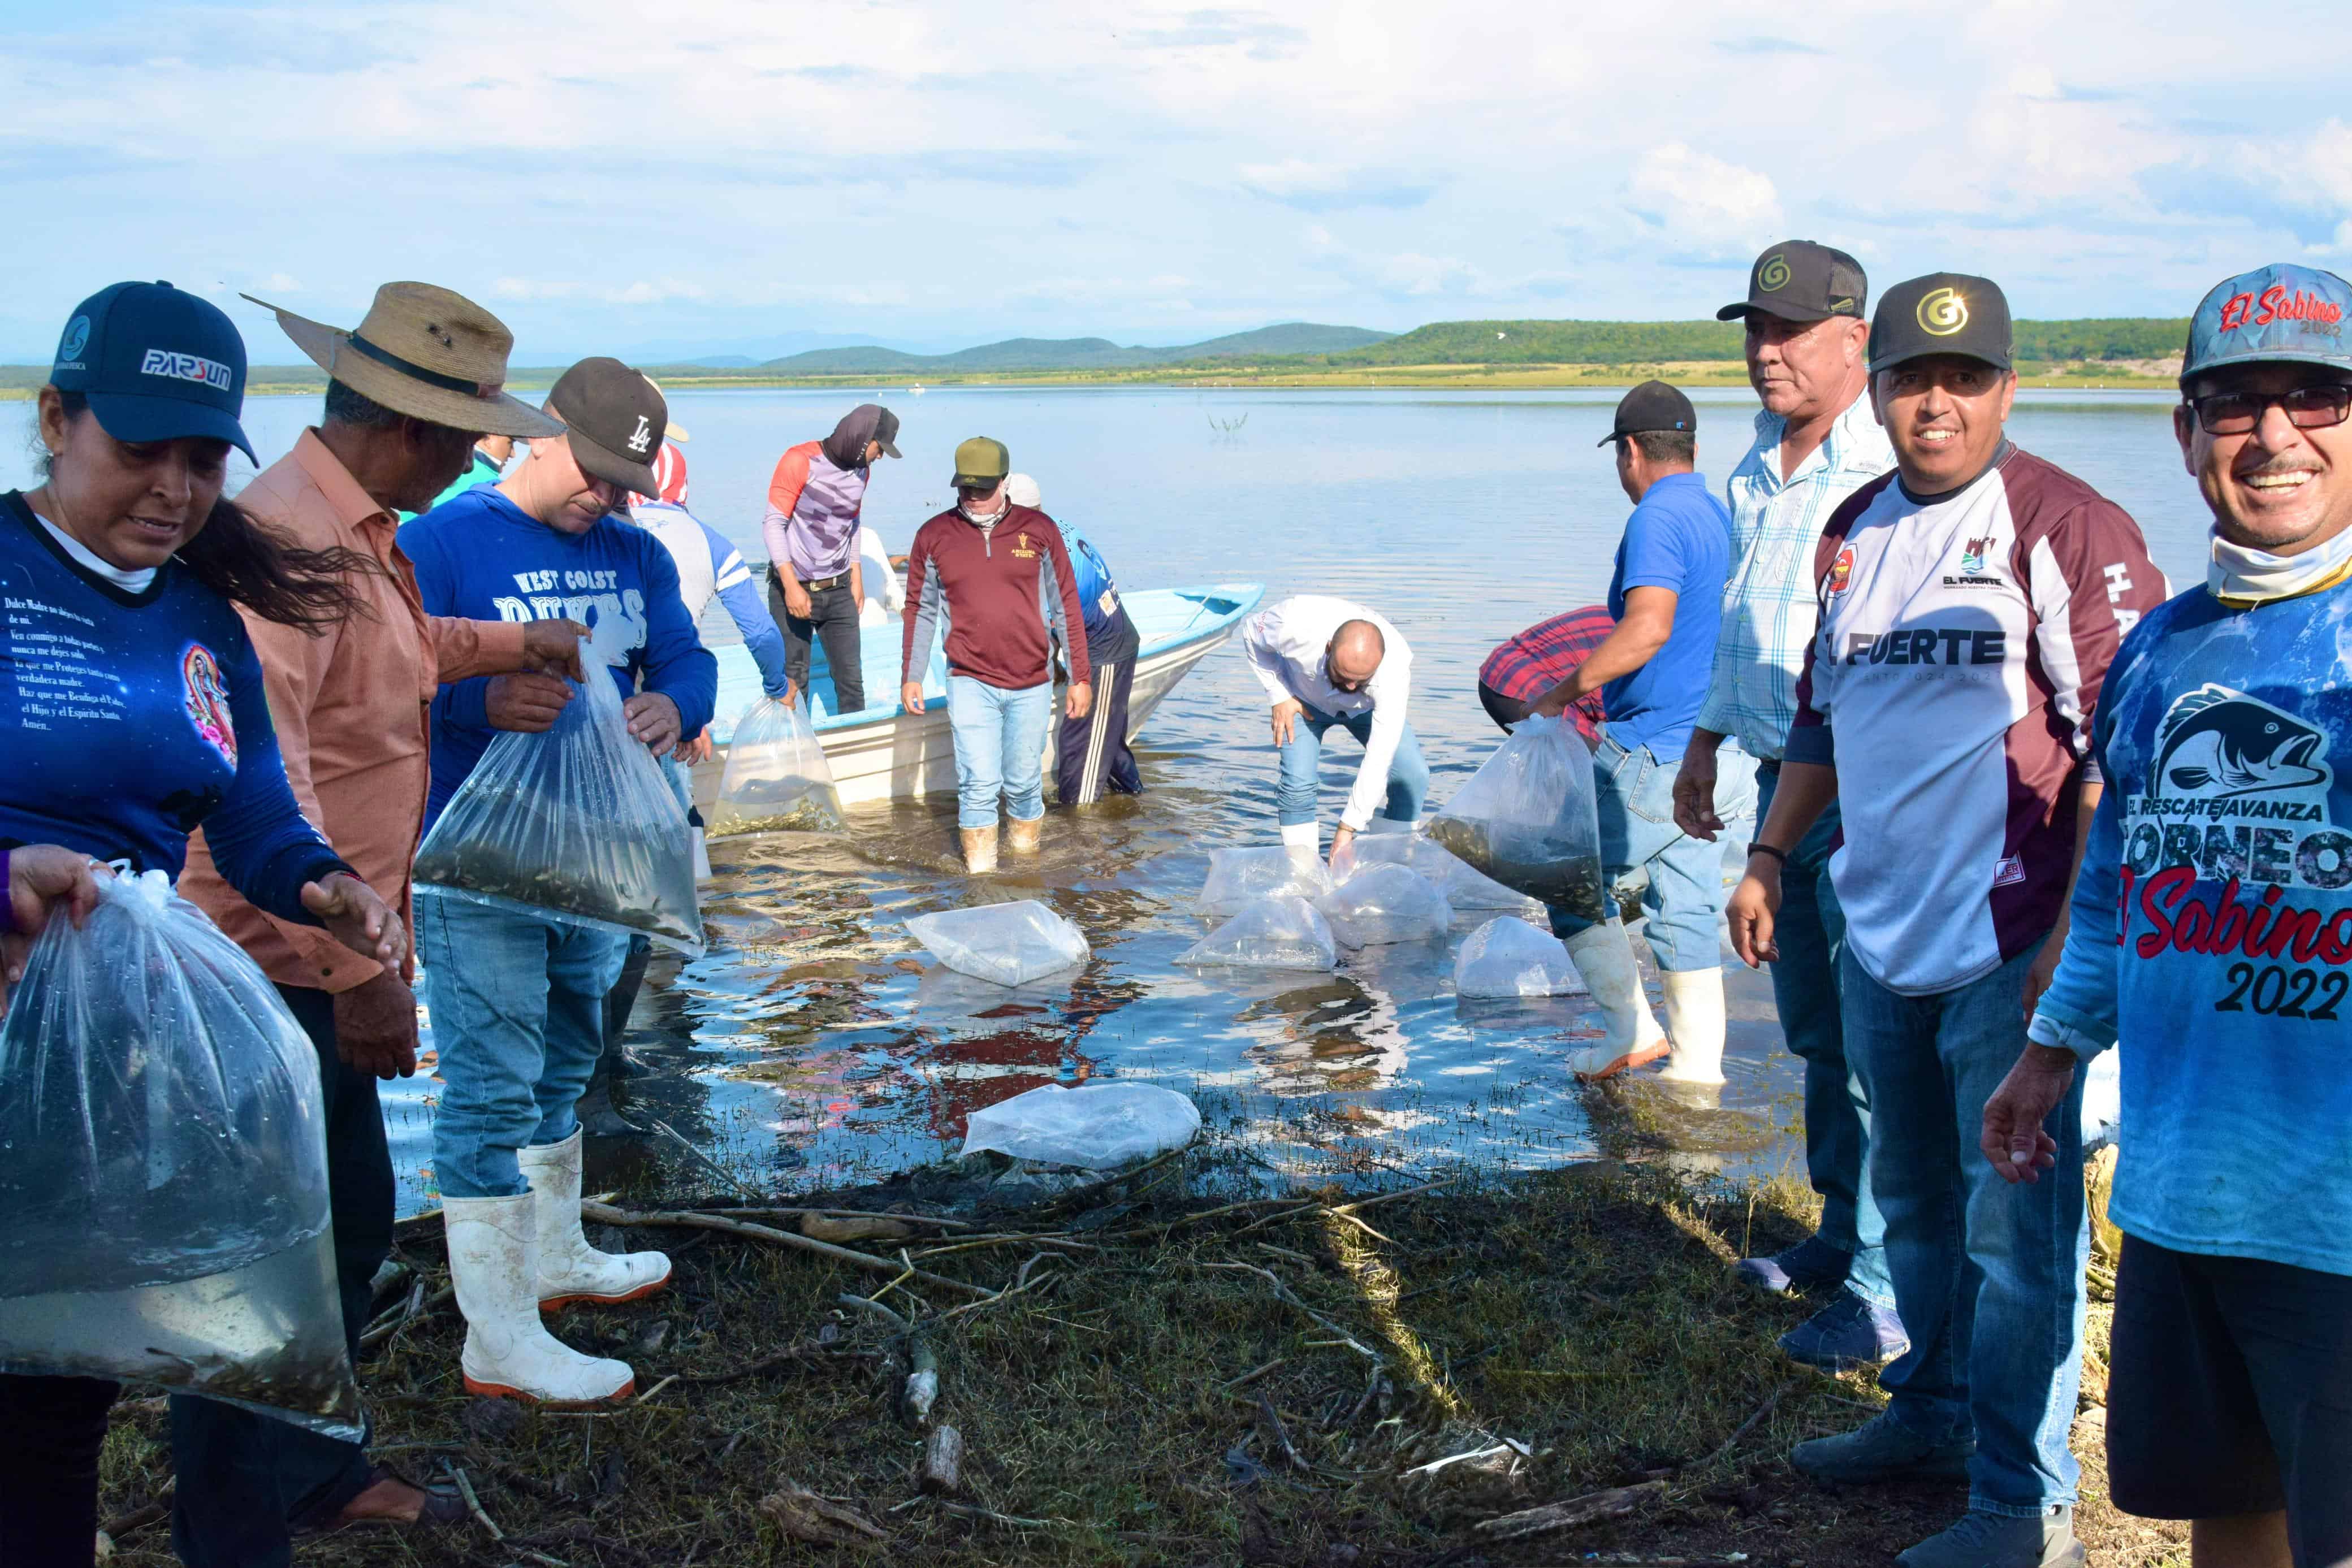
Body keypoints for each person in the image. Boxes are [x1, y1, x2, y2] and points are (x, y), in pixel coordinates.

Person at [1725, 274, 2166, 1568]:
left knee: (2018, 1241)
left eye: (1962, 380)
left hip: (2010, 950)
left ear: (2005, 389)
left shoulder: (2067, 526)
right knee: (1910, 1205)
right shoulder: (1854, 527)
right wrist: (1765, 854)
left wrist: (2070, 951)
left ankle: (2020, 1508)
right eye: (1913, 379)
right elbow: (1819, 713)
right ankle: (1927, 1413)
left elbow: (2119, 760)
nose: (1934, 402)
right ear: (1880, 390)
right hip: (1880, 940)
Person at [173, 282, 589, 1562]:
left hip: (329, 946)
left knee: (348, 1214)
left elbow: (390, 658)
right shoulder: (274, 541)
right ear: (410, 429)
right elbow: (269, 776)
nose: (477, 458)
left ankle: (315, 1466)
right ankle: (236, 1527)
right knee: (253, 1265)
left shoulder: (360, 531)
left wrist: (513, 644)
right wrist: (364, 973)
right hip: (264, 958)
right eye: (467, 436)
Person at [0, 280, 404, 1567]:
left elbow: (253, 822)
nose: (175, 489)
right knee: (20, 1403)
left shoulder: (198, 615)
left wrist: (325, 888)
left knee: (113, 1368)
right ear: (54, 419)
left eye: (202, 458)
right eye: (139, 449)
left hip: (110, 1053)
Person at [1982, 263, 2352, 1568]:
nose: (2273, 436)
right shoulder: (2162, 650)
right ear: (2185, 435)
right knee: (2224, 1505)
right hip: (2185, 1188)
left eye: (2317, 397)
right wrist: (2049, 1051)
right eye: (2234, 403)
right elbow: (2115, 879)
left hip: (2337, 1213)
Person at [401, 358, 717, 1404]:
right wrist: (473, 706)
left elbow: (688, 656)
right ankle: (497, 1335)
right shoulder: (441, 539)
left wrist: (675, 702)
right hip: (478, 857)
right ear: (539, 434)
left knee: (572, 1052)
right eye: (592, 471)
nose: (606, 497)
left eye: (625, 482)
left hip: (597, 857)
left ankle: (556, 1254)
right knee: (489, 1077)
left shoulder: (632, 549)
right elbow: (375, 683)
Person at [1680, 240, 1905, 1371]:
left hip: (1867, 790)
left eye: (1788, 332)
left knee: (1873, 1041)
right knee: (1815, 1031)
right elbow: (1739, 621)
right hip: (1778, 777)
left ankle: (1882, 1285)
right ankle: (1833, 1233)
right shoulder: (1755, 464)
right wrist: (1703, 744)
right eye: (1753, 332)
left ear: (1852, 340)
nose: (1764, 353)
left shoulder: (1887, 462)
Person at [1530, 382, 1746, 1090]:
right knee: (1686, 902)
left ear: (1629, 451)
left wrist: (1562, 693)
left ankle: (1632, 1032)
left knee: (1562, 877)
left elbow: (1646, 627)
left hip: (1653, 747)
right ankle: (1696, 1070)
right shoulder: (1718, 512)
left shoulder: (1656, 517)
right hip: (1715, 748)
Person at [580, 438, 794, 1137]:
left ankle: (602, 1083)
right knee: (673, 862)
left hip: (600, 723)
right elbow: (759, 630)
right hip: (666, 716)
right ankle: (671, 967)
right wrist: (773, 686)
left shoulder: (608, 533)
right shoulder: (704, 538)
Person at [902, 438, 1091, 873]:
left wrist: (1080, 675)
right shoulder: (933, 536)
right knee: (978, 785)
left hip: (1033, 679)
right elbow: (920, 607)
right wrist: (912, 674)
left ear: (1004, 482)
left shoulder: (1039, 532)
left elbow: (1065, 605)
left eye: (983, 488)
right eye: (966, 488)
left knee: (1025, 785)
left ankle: (1026, 872)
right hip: (969, 677)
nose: (973, 498)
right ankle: (982, 881)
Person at [1241, 595, 1424, 860]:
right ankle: (1304, 873)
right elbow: (1251, 634)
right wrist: (1278, 694)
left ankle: (1390, 864)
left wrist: (1348, 827)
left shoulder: (1394, 671)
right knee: (1297, 785)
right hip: (1301, 700)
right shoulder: (1294, 624)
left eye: (1360, 680)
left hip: (1366, 709)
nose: (1350, 687)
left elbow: (1379, 757)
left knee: (1412, 775)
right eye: (1343, 675)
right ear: (1328, 648)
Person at [1002, 473, 1144, 804]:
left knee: (1080, 757)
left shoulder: (1044, 556)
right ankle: (1136, 804)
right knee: (1105, 744)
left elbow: (1045, 625)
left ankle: (1079, 836)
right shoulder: (1055, 526)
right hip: (1101, 634)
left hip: (1104, 651)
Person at [766, 403, 900, 716]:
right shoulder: (799, 461)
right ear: (864, 439)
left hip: (839, 589)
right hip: (793, 589)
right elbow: (774, 524)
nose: (880, 457)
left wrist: (856, 575)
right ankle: (797, 756)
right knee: (794, 684)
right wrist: (791, 587)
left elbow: (851, 520)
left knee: (852, 684)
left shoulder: (862, 472)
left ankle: (856, 756)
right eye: (880, 449)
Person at [1477, 606, 1612, 743]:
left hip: (1505, 669)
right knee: (1602, 762)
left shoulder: (1624, 618)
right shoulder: (1629, 636)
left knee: (1594, 758)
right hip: (1527, 684)